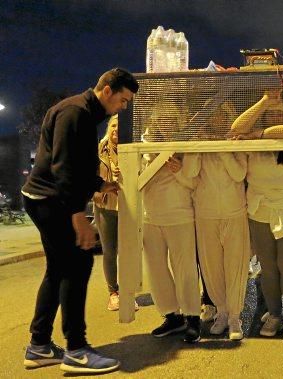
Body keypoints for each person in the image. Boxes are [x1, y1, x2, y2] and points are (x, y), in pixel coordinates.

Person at [21, 68, 138, 374]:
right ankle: (76, 350)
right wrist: (78, 215)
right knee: (77, 266)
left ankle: (39, 347)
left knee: (59, 270)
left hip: (45, 198)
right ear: (108, 90)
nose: (123, 108)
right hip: (52, 201)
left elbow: (77, 164)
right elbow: (62, 167)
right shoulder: (76, 112)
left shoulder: (84, 112)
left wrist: (99, 185)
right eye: (123, 100)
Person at [231, 91, 283, 341]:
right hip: (259, 211)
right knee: (267, 268)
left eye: (281, 114)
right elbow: (237, 127)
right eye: (271, 115)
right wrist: (264, 100)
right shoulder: (255, 145)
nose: (276, 118)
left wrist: (258, 134)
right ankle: (274, 314)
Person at [189, 102, 250, 341]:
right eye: (212, 116)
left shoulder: (237, 143)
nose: (216, 120)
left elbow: (238, 174)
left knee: (235, 267)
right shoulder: (200, 142)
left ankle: (235, 317)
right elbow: (192, 173)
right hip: (206, 213)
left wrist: (223, 148)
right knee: (212, 268)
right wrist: (199, 145)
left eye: (221, 115)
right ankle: (221, 312)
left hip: (235, 212)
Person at [141, 103, 201, 344]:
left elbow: (195, 183)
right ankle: (171, 315)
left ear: (177, 121)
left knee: (184, 267)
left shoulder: (187, 146)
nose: (164, 123)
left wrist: (178, 171)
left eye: (169, 119)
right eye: (160, 119)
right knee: (156, 269)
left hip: (180, 215)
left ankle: (193, 317)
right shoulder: (144, 147)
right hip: (150, 216)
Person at [92, 115, 138, 312]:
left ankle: (128, 293)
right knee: (109, 251)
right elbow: (86, 176)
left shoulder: (133, 148)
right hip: (105, 206)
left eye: (120, 126)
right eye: (112, 125)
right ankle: (114, 293)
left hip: (129, 206)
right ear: (107, 128)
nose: (116, 130)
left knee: (127, 252)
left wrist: (128, 172)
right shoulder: (97, 150)